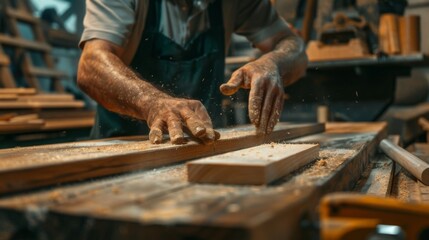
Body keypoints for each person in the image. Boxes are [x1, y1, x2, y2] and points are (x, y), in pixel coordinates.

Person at [77, 0, 307, 144]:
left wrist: (274, 63)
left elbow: (292, 45)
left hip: (204, 145)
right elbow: (91, 65)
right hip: (123, 146)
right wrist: (153, 103)